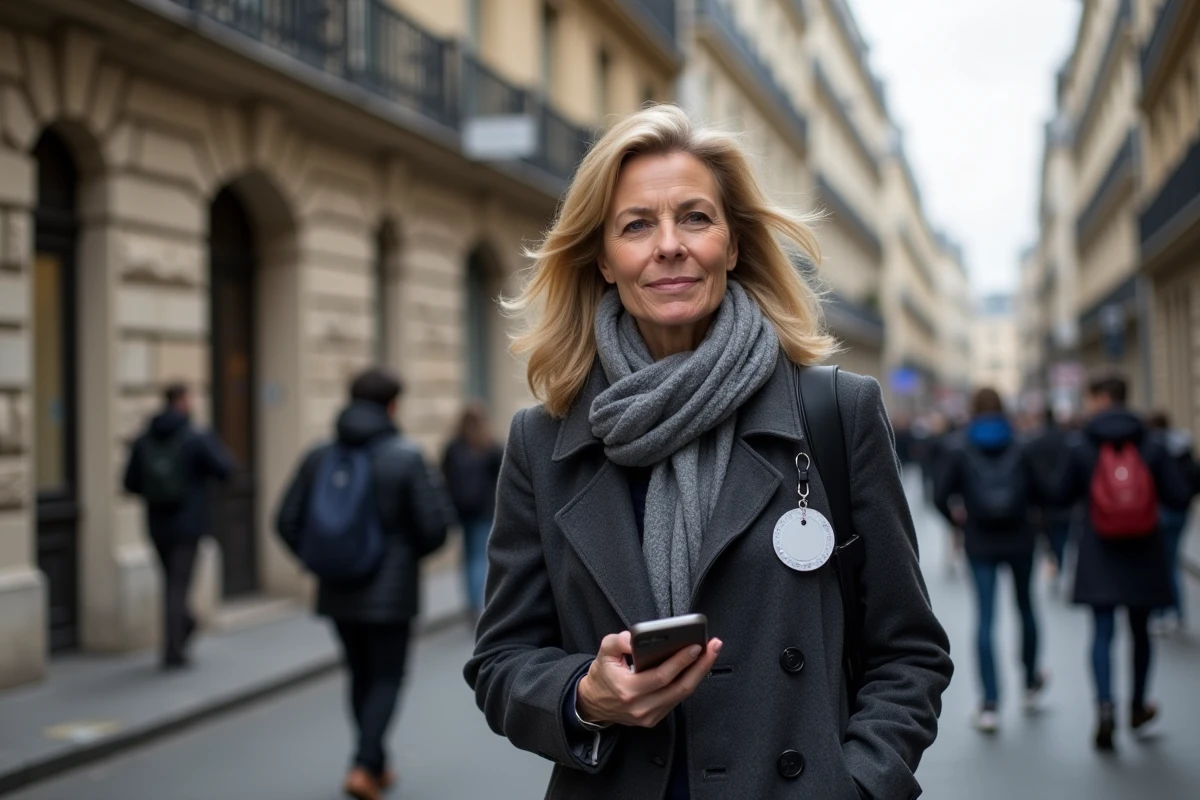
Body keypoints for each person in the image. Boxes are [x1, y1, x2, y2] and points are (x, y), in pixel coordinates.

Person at [464, 105, 952, 800]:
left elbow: (909, 651)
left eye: (695, 218)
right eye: (637, 225)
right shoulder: (544, 442)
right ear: (603, 258)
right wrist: (584, 696)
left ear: (733, 244)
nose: (669, 245)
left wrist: (859, 785)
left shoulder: (835, 413)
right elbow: (501, 662)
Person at [275, 368, 453, 800]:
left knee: (359, 674)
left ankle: (374, 763)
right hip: (391, 591)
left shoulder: (319, 455)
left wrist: (320, 559)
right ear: (393, 406)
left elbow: (285, 520)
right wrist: (404, 558)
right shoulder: (405, 456)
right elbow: (435, 528)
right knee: (387, 676)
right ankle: (362, 764)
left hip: (337, 588)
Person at [1056, 374, 1194, 751]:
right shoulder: (1152, 442)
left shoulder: (1082, 444)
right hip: (1143, 550)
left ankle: (1104, 708)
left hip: (1098, 550)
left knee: (1102, 633)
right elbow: (1179, 496)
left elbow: (1061, 494)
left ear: (1101, 399)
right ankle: (1137, 706)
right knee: (1140, 632)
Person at [935, 388, 1046, 733]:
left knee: (985, 618)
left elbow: (939, 495)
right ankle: (1030, 682)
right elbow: (1042, 493)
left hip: (980, 540)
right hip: (1020, 537)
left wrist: (959, 523)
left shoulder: (960, 446)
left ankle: (990, 704)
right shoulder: (1022, 443)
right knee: (1026, 607)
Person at [123, 383, 234, 670]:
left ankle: (180, 633)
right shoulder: (195, 437)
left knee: (171, 583)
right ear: (183, 401)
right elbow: (225, 469)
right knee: (179, 586)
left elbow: (129, 483)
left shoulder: (144, 439)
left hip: (157, 524)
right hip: (188, 524)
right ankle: (174, 647)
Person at [442, 402, 505, 618]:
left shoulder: (453, 448)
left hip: (462, 512)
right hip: (486, 512)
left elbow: (444, 479)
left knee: (469, 556)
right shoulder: (491, 447)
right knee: (481, 557)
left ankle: (471, 603)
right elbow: (503, 481)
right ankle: (480, 604)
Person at [1147, 411, 1200, 632]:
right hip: (1181, 511)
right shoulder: (1183, 447)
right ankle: (1174, 612)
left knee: (1164, 563)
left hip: (1161, 511)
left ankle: (1167, 610)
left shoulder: (1153, 449)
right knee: (1172, 561)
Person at [1026, 406, 1078, 588]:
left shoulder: (1035, 443)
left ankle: (1054, 566)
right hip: (1065, 501)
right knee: (1062, 537)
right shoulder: (1068, 441)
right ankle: (1059, 567)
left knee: (1048, 539)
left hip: (1043, 502)